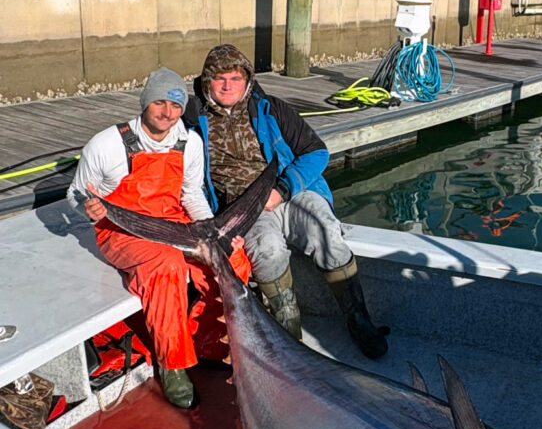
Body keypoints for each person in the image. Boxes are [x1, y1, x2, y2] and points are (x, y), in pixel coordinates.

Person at [184, 44, 389, 359]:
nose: (227, 85)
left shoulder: (271, 108)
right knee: (268, 251)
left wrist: (282, 189)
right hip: (244, 209)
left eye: (236, 78)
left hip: (289, 194)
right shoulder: (191, 119)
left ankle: (358, 318)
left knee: (327, 233)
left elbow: (316, 151)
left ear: (247, 80)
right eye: (219, 78)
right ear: (206, 80)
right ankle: (289, 330)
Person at [67, 68, 246, 409]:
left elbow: (191, 194)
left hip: (172, 222)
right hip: (120, 229)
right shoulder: (107, 144)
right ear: (145, 103)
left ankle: (209, 341)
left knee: (232, 258)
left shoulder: (189, 142)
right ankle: (172, 362)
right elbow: (75, 194)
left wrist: (211, 232)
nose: (167, 112)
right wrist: (85, 210)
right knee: (166, 267)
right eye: (159, 102)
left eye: (176, 105)